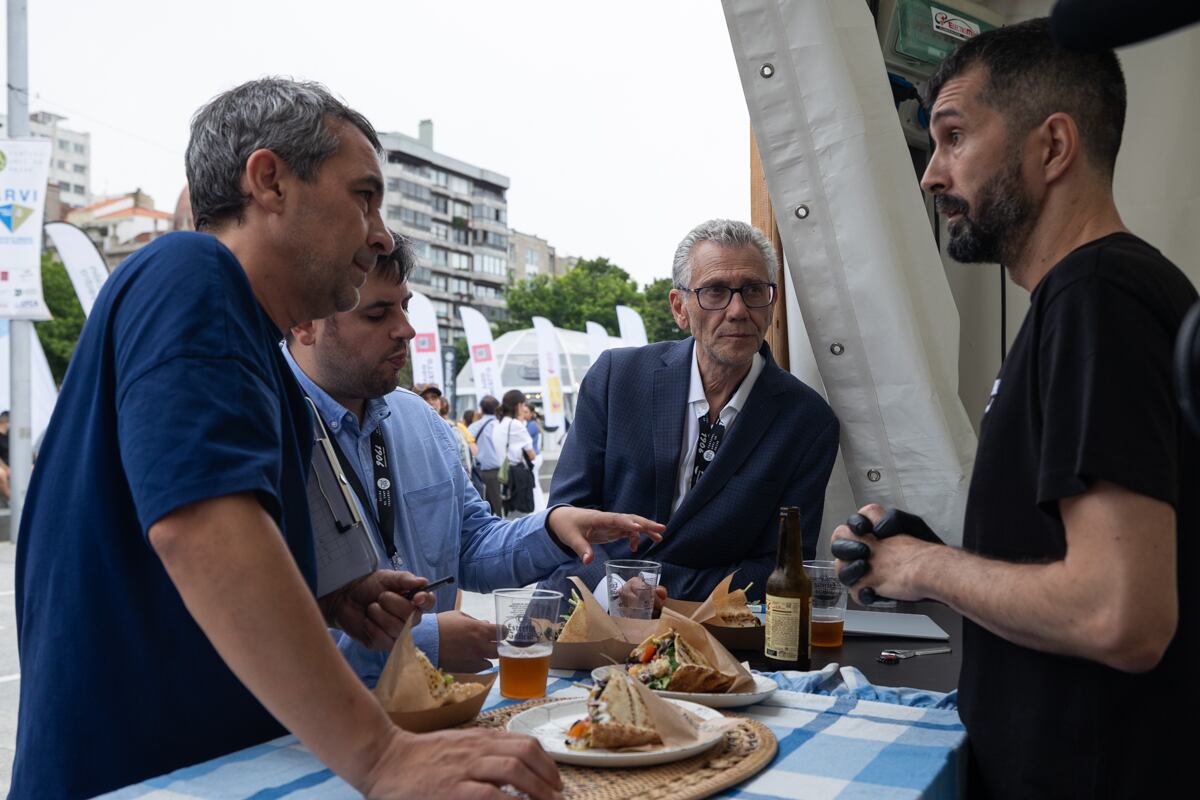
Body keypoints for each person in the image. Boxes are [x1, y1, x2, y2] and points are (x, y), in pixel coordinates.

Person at [12, 79, 563, 800]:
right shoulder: (191, 270)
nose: (380, 234)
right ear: (269, 181)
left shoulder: (261, 361)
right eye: (363, 196)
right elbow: (202, 530)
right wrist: (382, 757)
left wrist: (336, 587)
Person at [831, 19, 1195, 798]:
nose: (932, 175)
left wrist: (926, 564)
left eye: (954, 136)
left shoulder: (1100, 300)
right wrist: (920, 560)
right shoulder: (1093, 299)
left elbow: (1119, 613)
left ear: (1052, 147)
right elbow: (1061, 560)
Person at [286, 235, 665, 675]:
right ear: (304, 323)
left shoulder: (420, 421)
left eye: (405, 306)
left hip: (444, 709)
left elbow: (472, 545)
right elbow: (260, 630)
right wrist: (423, 643)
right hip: (314, 728)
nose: (406, 329)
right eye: (377, 313)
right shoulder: (264, 427)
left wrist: (553, 529)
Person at [542, 219, 839, 600]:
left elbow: (780, 568)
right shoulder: (617, 379)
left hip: (715, 638)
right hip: (585, 617)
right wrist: (612, 587)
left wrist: (656, 589)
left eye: (752, 290)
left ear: (772, 303)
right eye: (715, 291)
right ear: (680, 308)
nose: (737, 310)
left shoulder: (807, 423)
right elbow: (567, 517)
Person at [492, 389, 538, 516]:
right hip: (518, 476)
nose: (524, 408)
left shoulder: (498, 424)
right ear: (518, 405)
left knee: (509, 514)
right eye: (523, 405)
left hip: (503, 474)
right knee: (522, 515)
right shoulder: (516, 425)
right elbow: (531, 454)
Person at [467, 394, 504, 514]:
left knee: (483, 510)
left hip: (478, 471)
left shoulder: (473, 426)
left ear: (481, 409)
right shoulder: (500, 425)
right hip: (499, 471)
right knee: (499, 509)